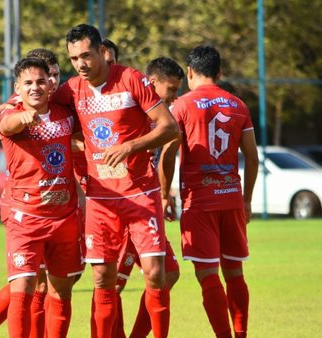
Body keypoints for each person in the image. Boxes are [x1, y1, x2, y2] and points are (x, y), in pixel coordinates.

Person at [51, 24, 179, 338]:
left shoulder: (130, 79)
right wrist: (6, 110)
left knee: (156, 274)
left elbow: (170, 127)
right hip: (100, 198)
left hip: (140, 193)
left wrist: (130, 146)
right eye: (73, 59)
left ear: (102, 52)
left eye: (85, 55)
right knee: (102, 279)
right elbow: (37, 103)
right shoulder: (70, 90)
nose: (80, 64)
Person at [158, 45, 258, 338]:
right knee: (235, 273)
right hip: (231, 199)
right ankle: (241, 334)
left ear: (189, 72)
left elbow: (167, 153)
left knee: (207, 275)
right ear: (220, 72)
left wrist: (164, 195)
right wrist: (247, 199)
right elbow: (251, 157)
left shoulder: (182, 106)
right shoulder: (238, 105)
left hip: (199, 203)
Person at [0, 48, 66, 338]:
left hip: (65, 202)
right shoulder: (16, 106)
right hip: (25, 206)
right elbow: (8, 120)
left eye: (55, 76)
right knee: (28, 281)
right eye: (45, 76)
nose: (51, 82)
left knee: (53, 283)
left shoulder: (67, 103)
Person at [0, 57, 83, 338]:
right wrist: (21, 118)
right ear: (17, 88)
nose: (35, 88)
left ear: (50, 84)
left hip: (64, 218)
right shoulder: (10, 115)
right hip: (26, 218)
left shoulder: (66, 115)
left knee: (61, 290)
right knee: (22, 287)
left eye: (40, 81)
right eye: (28, 83)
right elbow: (7, 125)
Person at [113, 57, 185, 338]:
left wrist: (164, 196)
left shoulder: (162, 116)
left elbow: (167, 154)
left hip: (146, 206)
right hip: (120, 205)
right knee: (111, 283)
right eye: (171, 89)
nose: (175, 96)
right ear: (152, 83)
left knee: (168, 273)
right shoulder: (127, 110)